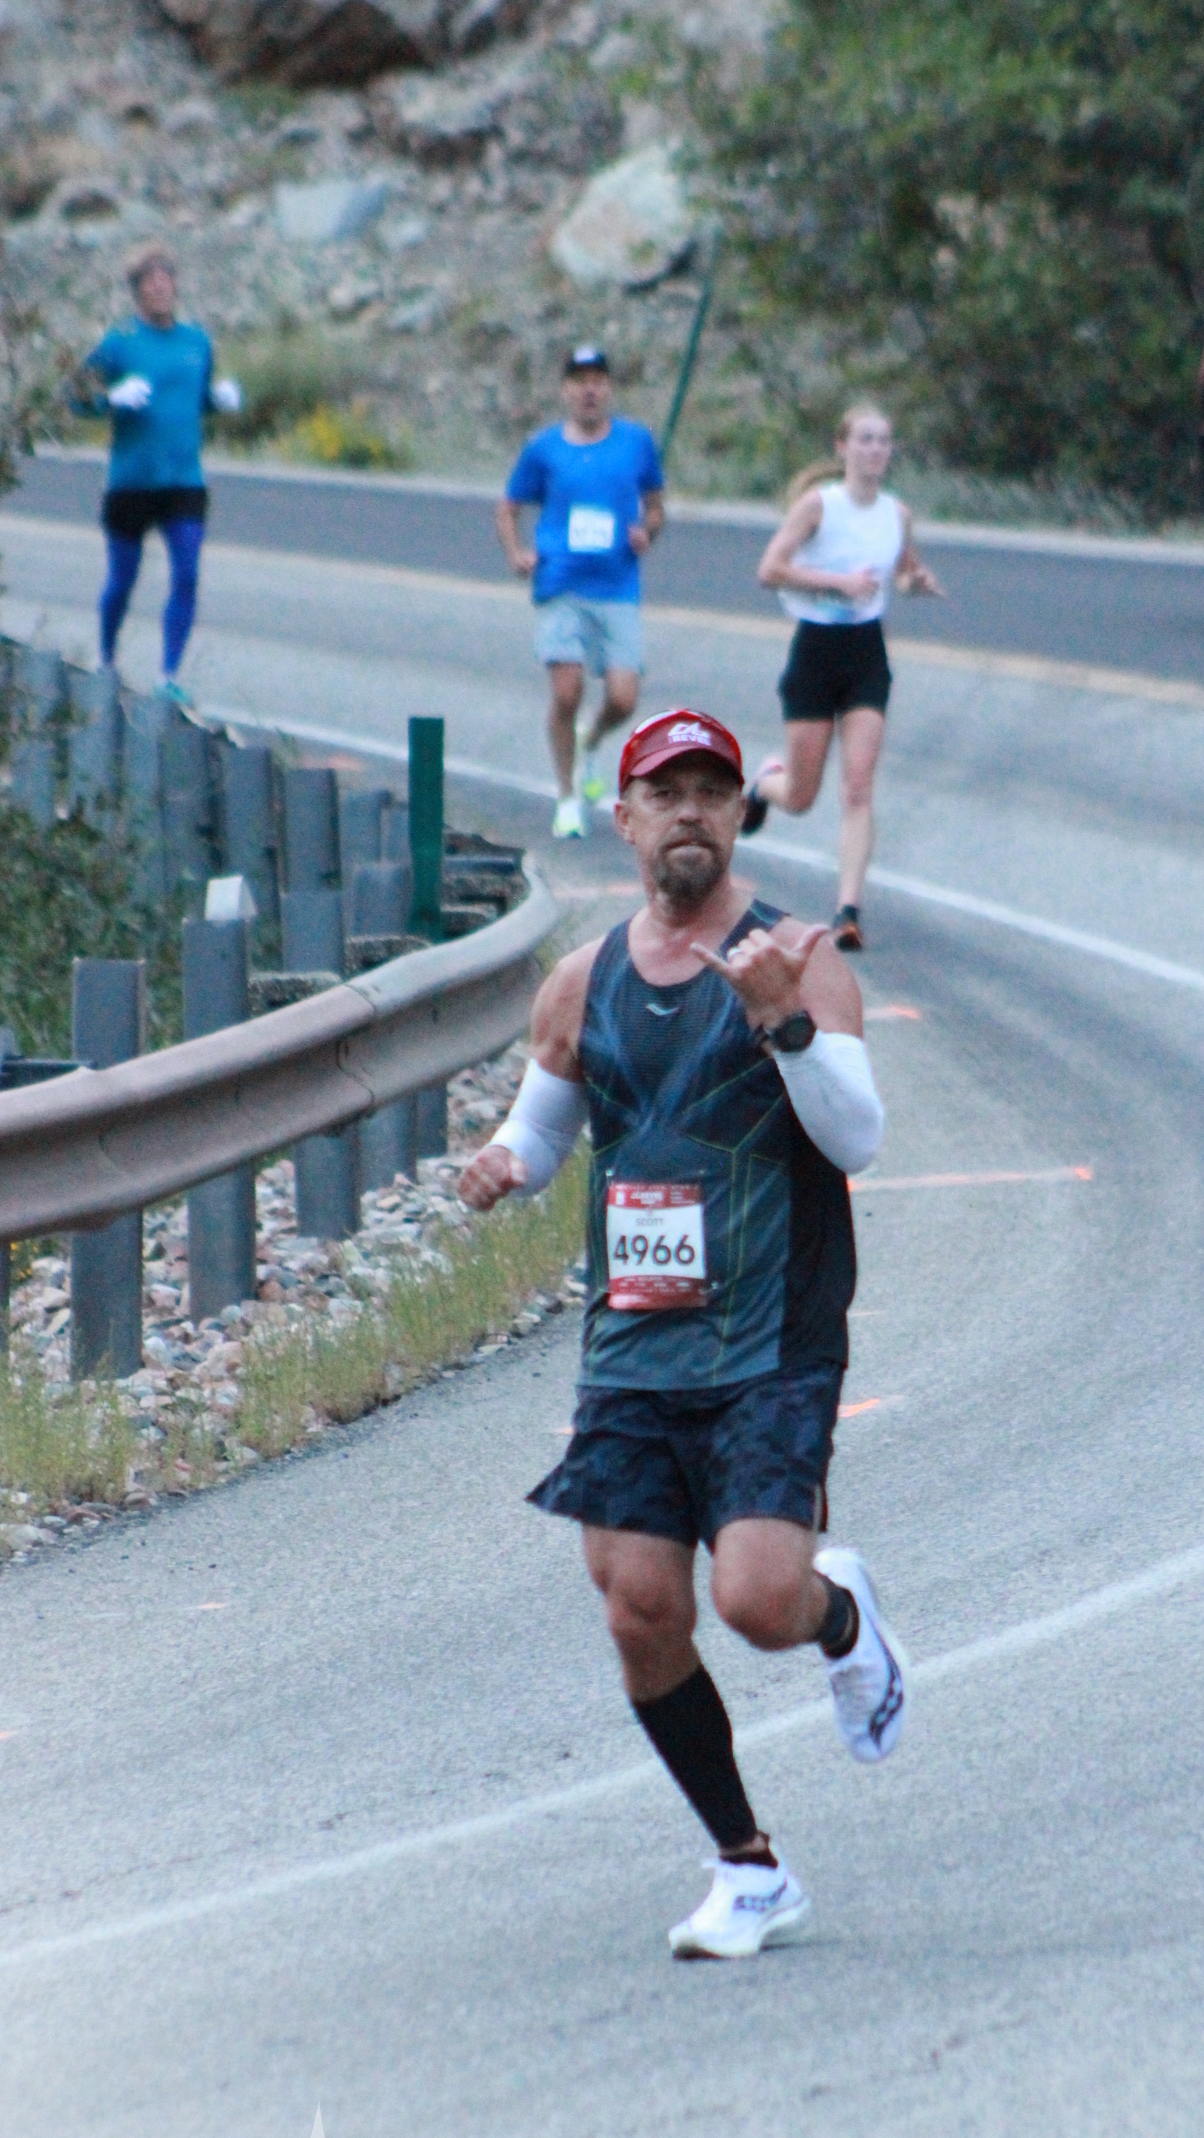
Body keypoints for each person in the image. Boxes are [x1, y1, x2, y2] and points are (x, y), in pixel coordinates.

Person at [457, 705, 907, 1960]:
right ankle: (748, 1868)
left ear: (740, 814)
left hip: (771, 1335)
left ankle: (840, 1617)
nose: (691, 813)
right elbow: (545, 1128)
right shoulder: (581, 982)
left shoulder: (798, 957)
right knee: (639, 1607)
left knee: (757, 1601)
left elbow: (858, 1140)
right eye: (666, 794)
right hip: (635, 1345)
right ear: (627, 820)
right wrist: (505, 1164)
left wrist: (785, 1024)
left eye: (712, 791)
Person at [738, 402, 942, 951]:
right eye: (865, 439)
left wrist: (916, 582)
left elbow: (901, 571)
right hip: (815, 651)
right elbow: (769, 570)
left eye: (883, 441)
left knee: (857, 786)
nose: (875, 449)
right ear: (842, 447)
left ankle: (847, 910)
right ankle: (764, 783)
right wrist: (836, 584)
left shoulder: (897, 514)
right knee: (801, 796)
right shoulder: (818, 507)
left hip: (866, 653)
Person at [495, 346, 666, 843]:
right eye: (579, 381)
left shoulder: (636, 442)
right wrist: (517, 554)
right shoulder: (544, 448)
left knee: (623, 698)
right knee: (566, 692)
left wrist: (647, 532)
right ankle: (567, 797)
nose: (589, 390)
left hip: (616, 584)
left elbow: (656, 507)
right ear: (565, 390)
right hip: (561, 583)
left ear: (608, 388)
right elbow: (508, 507)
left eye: (597, 380)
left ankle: (591, 739)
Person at [74, 246, 240, 699]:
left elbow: (196, 398)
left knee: (187, 575)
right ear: (137, 293)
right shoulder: (119, 342)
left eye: (166, 281)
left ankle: (169, 677)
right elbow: (74, 396)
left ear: (175, 286)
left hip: (184, 481)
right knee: (122, 580)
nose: (160, 290)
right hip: (131, 482)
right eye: (150, 284)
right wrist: (110, 399)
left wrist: (219, 400)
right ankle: (106, 659)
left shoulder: (197, 341)